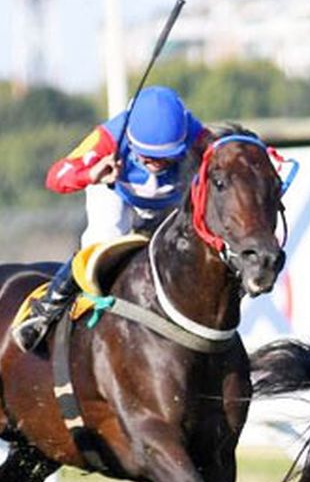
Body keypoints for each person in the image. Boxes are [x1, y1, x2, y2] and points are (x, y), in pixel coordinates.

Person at [11, 85, 207, 351]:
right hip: (116, 193)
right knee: (104, 239)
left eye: (166, 158)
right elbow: (55, 177)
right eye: (149, 158)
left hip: (170, 203)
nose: (157, 164)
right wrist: (91, 175)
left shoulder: (196, 134)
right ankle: (47, 308)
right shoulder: (109, 137)